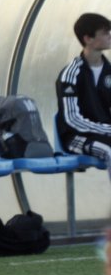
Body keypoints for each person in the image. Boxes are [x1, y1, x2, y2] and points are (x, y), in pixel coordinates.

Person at [56, 11, 111, 178]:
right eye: (105, 33)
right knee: (109, 151)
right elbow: (72, 119)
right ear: (88, 39)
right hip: (76, 136)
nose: (109, 35)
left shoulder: (109, 71)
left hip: (105, 133)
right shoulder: (70, 74)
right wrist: (107, 129)